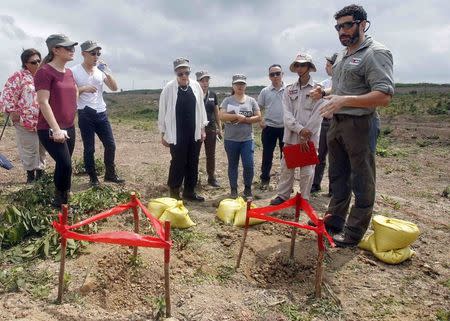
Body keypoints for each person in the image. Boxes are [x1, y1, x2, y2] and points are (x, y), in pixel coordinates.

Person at [315, 4, 394, 247]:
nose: (342, 31)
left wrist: (345, 100)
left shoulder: (375, 53)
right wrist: (325, 92)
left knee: (362, 179)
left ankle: (353, 232)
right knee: (338, 176)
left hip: (360, 124)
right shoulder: (342, 55)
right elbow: (343, 88)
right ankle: (334, 221)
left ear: (363, 24)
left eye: (347, 25)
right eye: (338, 27)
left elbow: (384, 95)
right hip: (336, 122)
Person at [270, 53, 324, 205]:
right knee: (287, 167)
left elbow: (319, 113)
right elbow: (286, 115)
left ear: (309, 67)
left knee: (307, 171)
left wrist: (307, 132)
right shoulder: (289, 90)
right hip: (292, 136)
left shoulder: (318, 89)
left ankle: (304, 199)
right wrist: (300, 130)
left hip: (310, 138)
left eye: (303, 65)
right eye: (297, 65)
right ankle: (283, 195)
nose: (300, 68)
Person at [71, 40, 123, 187]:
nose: (96, 56)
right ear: (83, 54)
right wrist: (83, 89)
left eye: (98, 54)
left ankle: (110, 174)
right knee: (89, 148)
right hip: (85, 113)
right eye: (93, 53)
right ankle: (93, 177)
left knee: (110, 145)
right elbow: (69, 92)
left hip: (101, 112)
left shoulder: (100, 71)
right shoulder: (74, 71)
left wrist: (107, 71)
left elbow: (114, 88)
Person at [35, 34, 78, 207]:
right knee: (66, 164)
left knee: (63, 164)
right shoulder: (44, 72)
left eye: (72, 47)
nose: (72, 50)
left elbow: (73, 93)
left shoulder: (69, 72)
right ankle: (60, 201)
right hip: (49, 128)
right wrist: (56, 129)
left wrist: (72, 116)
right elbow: (43, 102)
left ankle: (62, 196)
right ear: (55, 50)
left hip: (69, 126)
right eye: (68, 48)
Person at [158, 58, 208, 202]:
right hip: (176, 133)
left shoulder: (196, 87)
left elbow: (201, 109)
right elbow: (163, 111)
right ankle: (174, 191)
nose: (184, 76)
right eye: (180, 73)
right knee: (178, 162)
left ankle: (189, 191)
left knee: (193, 161)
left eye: (186, 72)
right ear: (176, 73)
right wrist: (163, 134)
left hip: (194, 132)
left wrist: (202, 129)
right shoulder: (168, 89)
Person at [1, 48, 46, 183]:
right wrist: (12, 111)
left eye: (39, 61)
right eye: (33, 62)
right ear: (26, 63)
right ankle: (30, 176)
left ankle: (41, 175)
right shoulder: (18, 76)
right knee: (29, 149)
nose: (37, 64)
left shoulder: (44, 76)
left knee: (42, 148)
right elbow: (7, 95)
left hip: (43, 120)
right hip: (24, 121)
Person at [219, 74, 261, 199]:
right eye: (237, 84)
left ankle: (247, 189)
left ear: (245, 86)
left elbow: (258, 117)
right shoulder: (227, 100)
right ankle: (233, 190)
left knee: (248, 164)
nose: (240, 86)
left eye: (242, 84)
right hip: (231, 139)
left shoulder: (251, 101)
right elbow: (222, 116)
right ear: (233, 86)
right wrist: (236, 117)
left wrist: (246, 120)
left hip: (247, 139)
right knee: (233, 164)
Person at [310, 53, 337, 195]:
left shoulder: (341, 83)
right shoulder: (325, 83)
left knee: (335, 157)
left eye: (328, 65)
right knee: (319, 156)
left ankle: (334, 189)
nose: (326, 68)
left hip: (337, 122)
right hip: (324, 122)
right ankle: (315, 184)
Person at [257, 64, 285, 190]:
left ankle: (285, 181)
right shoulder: (265, 91)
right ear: (269, 77)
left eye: (277, 73)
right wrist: (260, 120)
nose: (275, 76)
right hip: (269, 127)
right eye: (272, 74)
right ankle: (264, 179)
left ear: (282, 74)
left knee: (286, 156)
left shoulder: (289, 89)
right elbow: (258, 108)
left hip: (286, 128)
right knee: (267, 154)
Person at [195, 70, 222, 187]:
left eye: (207, 80)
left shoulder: (213, 95)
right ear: (197, 82)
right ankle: (193, 178)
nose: (205, 83)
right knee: (194, 155)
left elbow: (217, 113)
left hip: (210, 129)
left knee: (211, 155)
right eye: (202, 81)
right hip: (196, 129)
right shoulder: (194, 94)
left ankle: (211, 177)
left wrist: (220, 128)